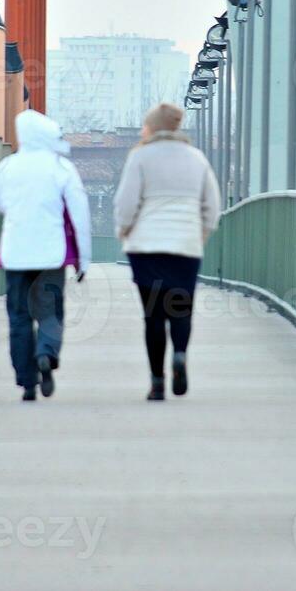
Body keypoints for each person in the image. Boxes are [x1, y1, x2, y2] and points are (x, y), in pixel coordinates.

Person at [113, 102, 220, 400]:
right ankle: (181, 355)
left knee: (153, 316)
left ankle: (157, 382)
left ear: (153, 126)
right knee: (180, 309)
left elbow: (126, 202)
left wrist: (124, 230)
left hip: (147, 247)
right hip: (185, 246)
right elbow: (212, 204)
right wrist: (201, 232)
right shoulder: (196, 159)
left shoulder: (140, 157)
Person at [0, 109, 92, 401]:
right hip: (51, 253)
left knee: (19, 316)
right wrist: (83, 260)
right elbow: (80, 214)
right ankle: (46, 352)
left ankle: (27, 381)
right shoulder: (61, 168)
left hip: (16, 254)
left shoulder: (7, 167)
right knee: (49, 310)